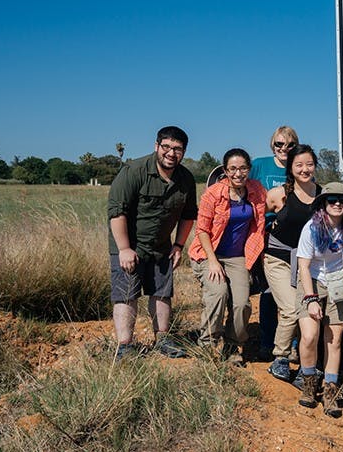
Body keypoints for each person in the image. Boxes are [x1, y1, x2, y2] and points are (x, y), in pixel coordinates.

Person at [107, 126, 197, 358]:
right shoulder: (133, 171)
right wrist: (125, 249)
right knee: (126, 293)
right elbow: (117, 212)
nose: (171, 153)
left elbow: (188, 215)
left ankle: (163, 340)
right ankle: (125, 345)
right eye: (166, 147)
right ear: (156, 146)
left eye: (177, 149)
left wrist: (178, 246)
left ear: (184, 151)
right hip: (129, 244)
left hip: (161, 245)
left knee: (162, 292)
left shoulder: (185, 178)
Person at [188, 148, 266, 365]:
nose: (238, 173)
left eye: (242, 168)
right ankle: (207, 344)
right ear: (225, 170)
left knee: (242, 304)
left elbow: (260, 221)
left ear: (249, 169)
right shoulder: (213, 194)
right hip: (209, 253)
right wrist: (212, 262)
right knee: (219, 293)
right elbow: (202, 230)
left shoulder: (256, 190)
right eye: (233, 169)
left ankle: (232, 345)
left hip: (238, 257)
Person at [295, 182, 343, 416]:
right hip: (311, 281)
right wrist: (310, 298)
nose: (338, 204)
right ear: (324, 203)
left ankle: (330, 390)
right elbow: (303, 265)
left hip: (338, 285)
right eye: (332, 200)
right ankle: (309, 382)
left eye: (342, 200)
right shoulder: (311, 228)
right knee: (310, 335)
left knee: (334, 340)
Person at [264, 145, 322, 381]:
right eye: (299, 165)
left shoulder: (323, 195)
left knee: (306, 311)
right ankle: (280, 357)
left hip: (308, 262)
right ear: (290, 168)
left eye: (309, 164)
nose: (304, 169)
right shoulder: (279, 194)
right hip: (278, 257)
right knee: (289, 309)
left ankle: (306, 361)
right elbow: (258, 220)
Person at [250, 125, 299, 358]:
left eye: (290, 145)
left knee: (294, 290)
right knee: (268, 290)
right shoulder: (259, 165)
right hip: (264, 234)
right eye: (279, 144)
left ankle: (294, 344)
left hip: (293, 237)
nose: (284, 149)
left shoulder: (298, 168)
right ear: (273, 145)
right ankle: (267, 341)